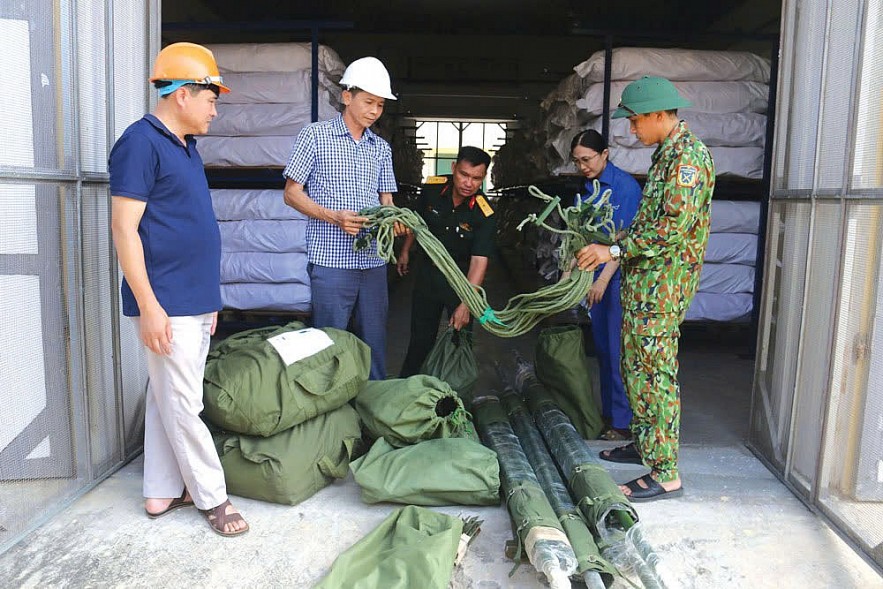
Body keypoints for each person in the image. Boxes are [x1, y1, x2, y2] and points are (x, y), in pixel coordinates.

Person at [109, 42, 248, 536]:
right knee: (184, 403)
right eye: (211, 97)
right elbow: (125, 229)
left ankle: (160, 490)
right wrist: (149, 307)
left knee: (166, 396)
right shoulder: (140, 143)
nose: (215, 108)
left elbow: (190, 226)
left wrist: (209, 299)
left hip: (193, 300)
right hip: (165, 302)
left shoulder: (185, 146)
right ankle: (213, 497)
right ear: (183, 94)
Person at [575, 76, 715, 502]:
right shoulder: (666, 156)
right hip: (644, 288)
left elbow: (669, 231)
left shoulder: (687, 160)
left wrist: (611, 249)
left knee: (656, 376)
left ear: (658, 115)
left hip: (662, 290)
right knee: (636, 369)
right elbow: (648, 222)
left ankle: (665, 471)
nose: (632, 130)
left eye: (636, 121)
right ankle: (646, 444)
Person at [282, 56, 400, 380]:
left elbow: (386, 200)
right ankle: (329, 417)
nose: (375, 111)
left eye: (380, 104)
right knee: (328, 343)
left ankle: (373, 411)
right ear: (347, 96)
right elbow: (291, 193)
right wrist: (333, 217)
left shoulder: (381, 148)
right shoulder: (315, 136)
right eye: (369, 102)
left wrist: (395, 221)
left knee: (374, 344)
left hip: (373, 263)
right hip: (332, 263)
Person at [398, 146, 496, 377]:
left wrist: (466, 305)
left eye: (476, 178)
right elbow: (416, 222)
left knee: (459, 344)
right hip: (428, 277)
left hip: (461, 284)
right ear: (453, 169)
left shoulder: (485, 212)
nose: (468, 183)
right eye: (464, 175)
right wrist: (405, 251)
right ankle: (405, 392)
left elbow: (479, 262)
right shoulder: (432, 188)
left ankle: (454, 401)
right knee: (420, 342)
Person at [570, 130, 643, 441]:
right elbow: (582, 234)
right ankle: (610, 415)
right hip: (595, 274)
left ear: (605, 154)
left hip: (617, 276)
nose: (583, 166)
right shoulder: (590, 187)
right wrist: (571, 273)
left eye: (587, 159)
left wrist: (601, 279)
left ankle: (624, 422)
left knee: (617, 351)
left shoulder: (625, 187)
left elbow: (624, 239)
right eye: (577, 162)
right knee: (601, 349)